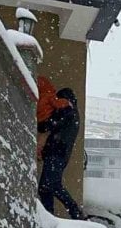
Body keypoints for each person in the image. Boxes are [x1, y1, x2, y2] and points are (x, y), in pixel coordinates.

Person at [36, 81, 85, 220]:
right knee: (45, 187)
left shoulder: (67, 110)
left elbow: (49, 124)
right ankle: (48, 216)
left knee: (51, 185)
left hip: (57, 153)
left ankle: (75, 212)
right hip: (58, 154)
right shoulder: (71, 112)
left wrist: (42, 123)